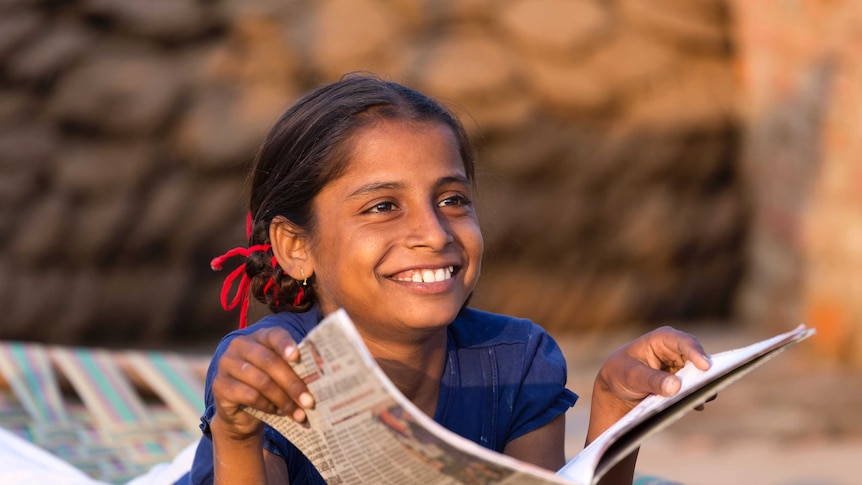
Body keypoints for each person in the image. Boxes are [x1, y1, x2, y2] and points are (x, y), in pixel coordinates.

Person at [186, 73, 711, 485]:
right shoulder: (268, 372)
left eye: (452, 200)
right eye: (383, 206)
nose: (433, 234)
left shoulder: (519, 360)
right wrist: (237, 432)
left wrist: (617, 416)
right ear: (296, 248)